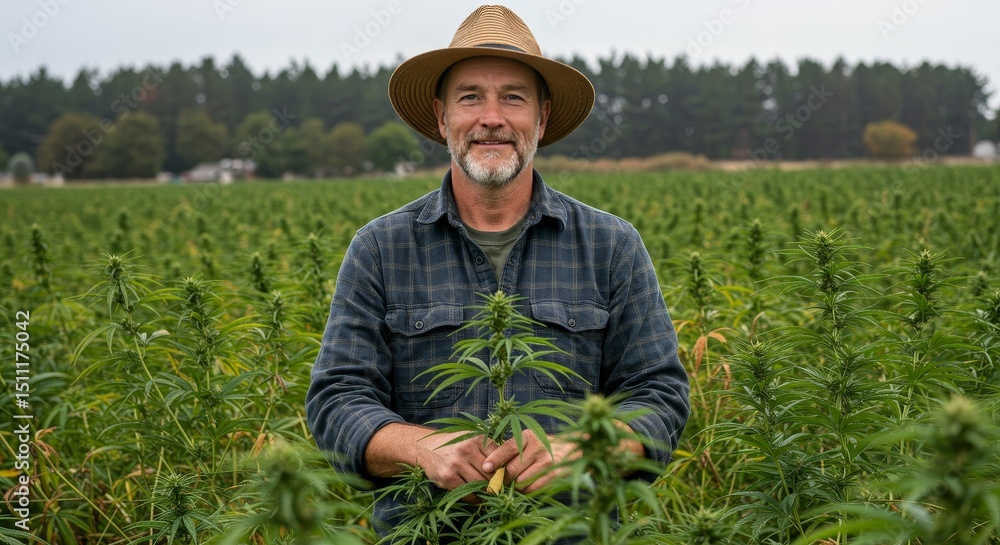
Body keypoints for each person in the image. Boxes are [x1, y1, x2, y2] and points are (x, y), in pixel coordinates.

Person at [306, 3, 690, 536]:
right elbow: (335, 400)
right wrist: (420, 448)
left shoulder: (611, 245)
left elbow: (659, 396)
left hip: (568, 531)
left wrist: (584, 448)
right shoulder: (381, 248)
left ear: (542, 116)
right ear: (442, 117)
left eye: (513, 97)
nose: (492, 118)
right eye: (470, 98)